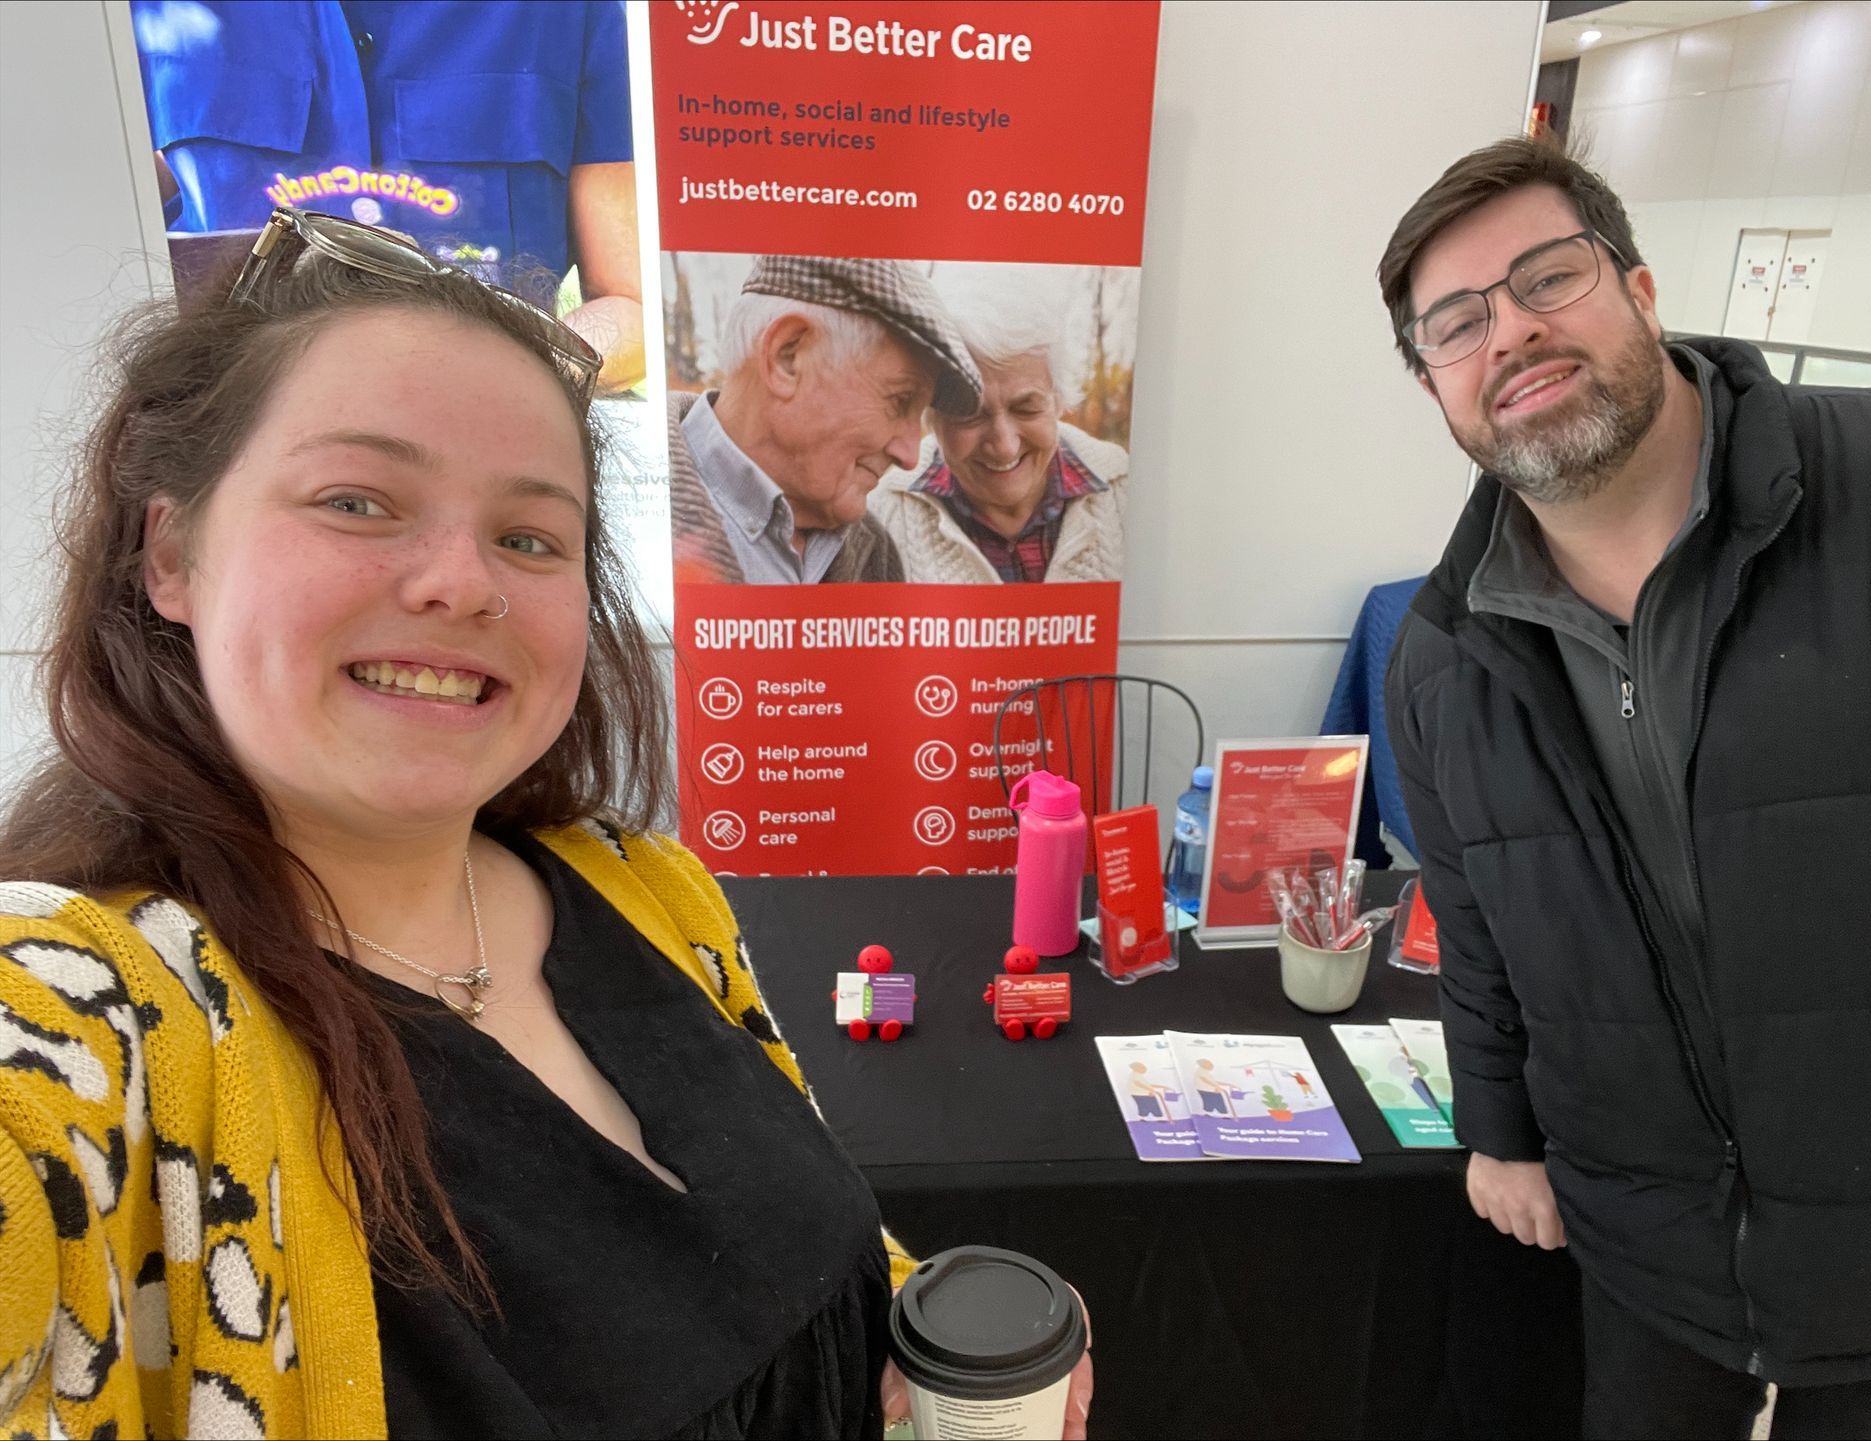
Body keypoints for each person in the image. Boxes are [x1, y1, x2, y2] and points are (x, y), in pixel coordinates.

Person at [0, 208, 1091, 1438]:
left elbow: (782, 1242)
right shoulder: (90, 1017)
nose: (461, 582)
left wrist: (918, 1327)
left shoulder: (639, 884)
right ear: (171, 552)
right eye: (359, 501)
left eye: (530, 535)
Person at [1377, 136, 1871, 1437]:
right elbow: (1479, 936)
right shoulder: (1444, 655)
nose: (1508, 333)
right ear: (1438, 385)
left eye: (1545, 279)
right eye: (1456, 324)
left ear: (1641, 289)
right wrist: (1500, 1133)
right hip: (1648, 1248)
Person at [129, 0, 646, 390]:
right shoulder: (136, 14)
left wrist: (505, 385)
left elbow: (633, 303)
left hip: (478, 461)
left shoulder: (571, 12)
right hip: (218, 453)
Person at [669, 255, 983, 585]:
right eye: (900, 400)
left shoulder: (877, 555)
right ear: (787, 357)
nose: (910, 457)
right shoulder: (632, 515)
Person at [870, 265, 1127, 583]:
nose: (1005, 446)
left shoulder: (1127, 489)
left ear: (1058, 400)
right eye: (971, 415)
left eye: (1026, 409)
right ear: (932, 416)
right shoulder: (879, 517)